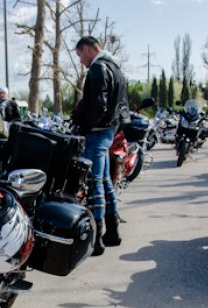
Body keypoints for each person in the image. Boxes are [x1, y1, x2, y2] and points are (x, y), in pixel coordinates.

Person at [72, 36, 127, 256]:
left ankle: (96, 241)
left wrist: (82, 127)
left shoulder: (97, 69)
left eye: (79, 55)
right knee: (104, 181)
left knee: (95, 184)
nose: (81, 61)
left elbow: (98, 104)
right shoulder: (115, 68)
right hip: (109, 130)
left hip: (96, 131)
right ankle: (112, 231)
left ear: (86, 49)